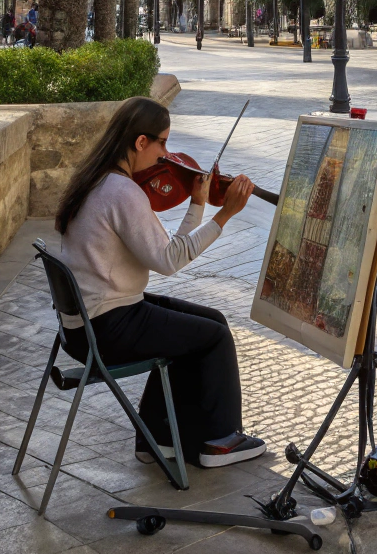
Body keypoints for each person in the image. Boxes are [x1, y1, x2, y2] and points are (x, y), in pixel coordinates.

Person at [55, 97, 265, 470]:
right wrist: (226, 214)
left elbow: (165, 252)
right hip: (106, 326)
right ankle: (220, 441)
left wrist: (197, 204)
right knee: (212, 337)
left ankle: (157, 439)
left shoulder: (97, 179)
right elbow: (170, 261)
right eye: (162, 143)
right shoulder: (122, 193)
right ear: (140, 142)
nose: (166, 155)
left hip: (84, 323)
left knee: (211, 321)